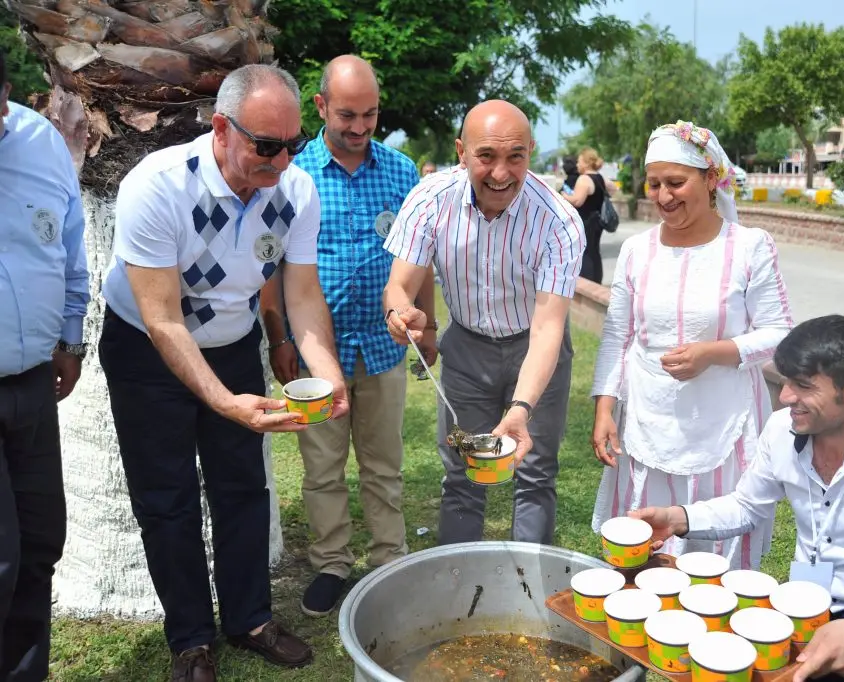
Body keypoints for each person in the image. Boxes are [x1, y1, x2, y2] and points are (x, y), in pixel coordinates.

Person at [99, 64, 349, 681]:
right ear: (221, 129)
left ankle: (250, 620)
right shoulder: (157, 186)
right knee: (168, 499)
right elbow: (163, 322)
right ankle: (190, 637)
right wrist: (223, 402)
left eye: (293, 143)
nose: (283, 160)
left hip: (233, 342)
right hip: (145, 350)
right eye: (267, 146)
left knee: (242, 487)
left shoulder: (295, 191)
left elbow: (304, 297)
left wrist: (328, 373)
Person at [632, 315, 844, 682]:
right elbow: (747, 506)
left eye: (803, 386)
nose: (785, 397)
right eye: (785, 381)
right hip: (804, 602)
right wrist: (677, 518)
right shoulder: (782, 430)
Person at [260, 55, 435, 618]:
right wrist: (280, 337)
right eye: (347, 115)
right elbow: (270, 266)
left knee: (384, 464)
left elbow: (418, 258)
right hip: (317, 355)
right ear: (320, 108)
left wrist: (426, 325)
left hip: (383, 348)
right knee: (322, 467)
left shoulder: (402, 172)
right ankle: (331, 562)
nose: (360, 127)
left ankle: (389, 561)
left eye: (370, 115)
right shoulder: (291, 173)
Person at [591, 120, 793, 570]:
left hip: (723, 421)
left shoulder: (749, 247)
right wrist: (605, 409)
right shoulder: (636, 250)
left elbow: (780, 334)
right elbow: (617, 337)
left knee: (714, 560)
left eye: (676, 182)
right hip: (647, 422)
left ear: (711, 178)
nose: (664, 196)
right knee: (646, 548)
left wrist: (712, 354)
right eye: (655, 183)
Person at [381, 99, 584, 546]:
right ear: (461, 152)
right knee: (463, 471)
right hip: (467, 349)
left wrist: (520, 409)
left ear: (531, 151)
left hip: (536, 348)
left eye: (516, 156)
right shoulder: (430, 200)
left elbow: (549, 328)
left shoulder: (559, 221)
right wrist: (401, 312)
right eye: (486, 156)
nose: (501, 173)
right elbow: (398, 286)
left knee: (534, 473)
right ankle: (456, 588)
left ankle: (530, 596)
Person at [0, 48, 89, 682]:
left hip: (32, 381)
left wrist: (68, 335)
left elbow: (71, 239)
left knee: (37, 545)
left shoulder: (40, 142)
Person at [561, 147, 614, 283]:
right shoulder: (599, 177)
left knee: (584, 252)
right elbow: (613, 189)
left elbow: (578, 201)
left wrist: (563, 196)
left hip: (586, 220)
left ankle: (586, 281)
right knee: (594, 251)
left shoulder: (584, 179)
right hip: (597, 221)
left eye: (579, 162)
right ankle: (596, 280)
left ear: (586, 162)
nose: (577, 165)